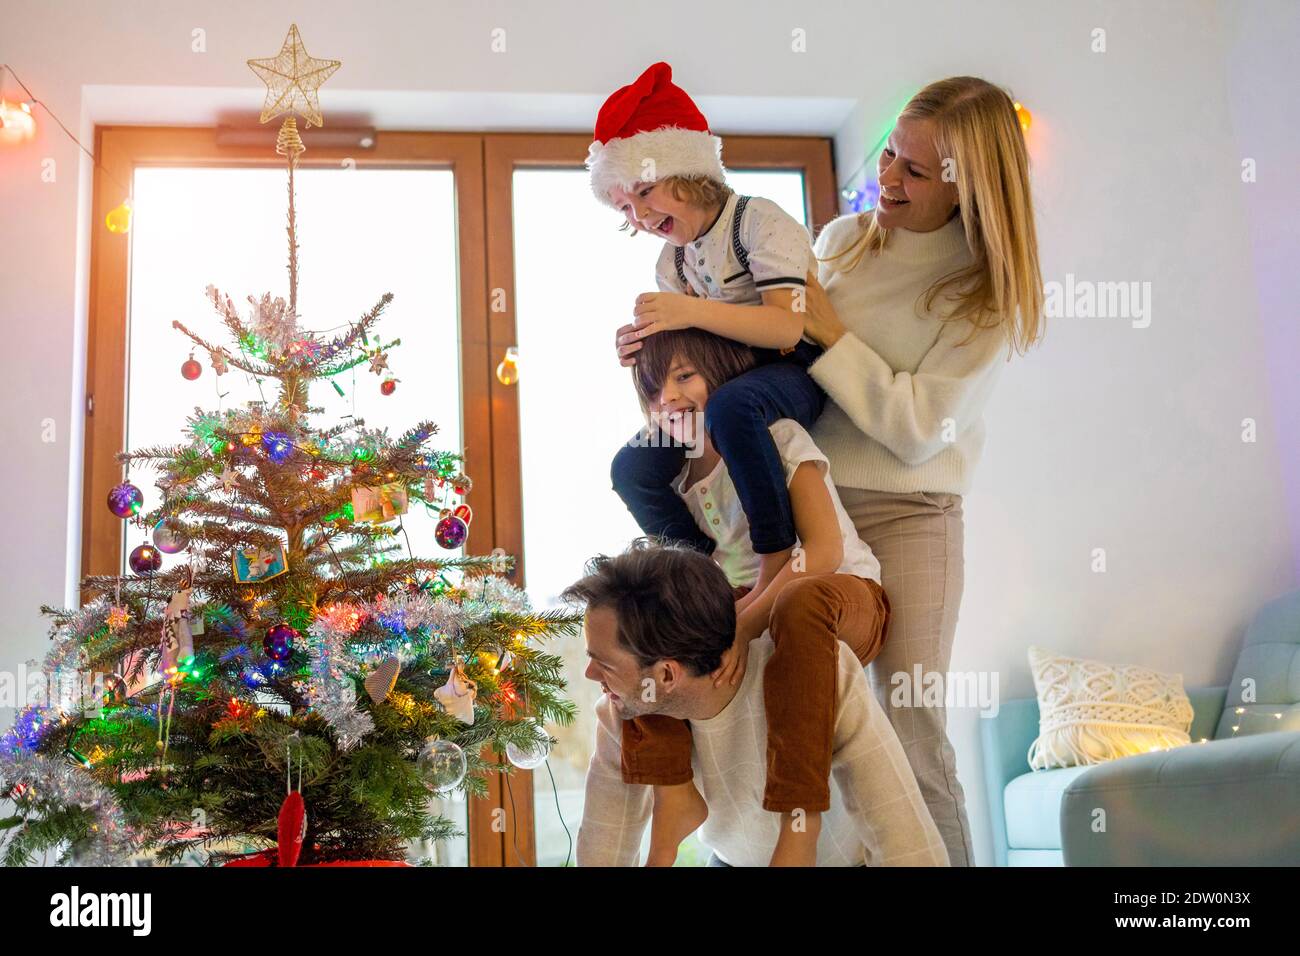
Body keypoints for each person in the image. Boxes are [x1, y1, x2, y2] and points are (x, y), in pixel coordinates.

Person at [794, 77, 1046, 866]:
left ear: (969, 188)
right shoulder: (841, 242)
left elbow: (915, 428)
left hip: (912, 515)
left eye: (914, 172)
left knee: (907, 722)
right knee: (811, 722)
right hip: (816, 510)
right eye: (889, 155)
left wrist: (829, 334)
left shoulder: (985, 296)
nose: (887, 180)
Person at [600, 325, 895, 866]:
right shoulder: (679, 478)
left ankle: (798, 827)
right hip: (750, 603)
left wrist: (745, 622)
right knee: (647, 628)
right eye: (652, 390)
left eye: (684, 376)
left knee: (795, 603)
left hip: (840, 595)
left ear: (720, 370)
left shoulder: (777, 436)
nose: (668, 396)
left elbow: (823, 552)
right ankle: (673, 797)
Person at [588, 62, 825, 598]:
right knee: (632, 466)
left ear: (691, 173)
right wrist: (642, 345)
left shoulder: (757, 221)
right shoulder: (672, 264)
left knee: (730, 410)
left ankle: (774, 554)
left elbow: (788, 325)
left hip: (790, 369)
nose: (641, 216)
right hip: (729, 374)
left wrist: (687, 312)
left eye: (646, 192)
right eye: (626, 207)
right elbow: (688, 342)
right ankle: (702, 568)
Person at [567, 538, 948, 868]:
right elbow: (605, 845)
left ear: (667, 674)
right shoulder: (623, 710)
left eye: (603, 664)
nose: (590, 675)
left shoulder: (818, 671)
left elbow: (904, 836)